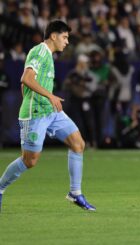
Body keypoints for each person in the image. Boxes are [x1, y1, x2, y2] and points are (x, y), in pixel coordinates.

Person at [0, 20, 95, 212]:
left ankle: (75, 193)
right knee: (30, 161)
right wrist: (48, 96)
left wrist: (44, 99)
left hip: (50, 111)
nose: (67, 42)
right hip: (35, 114)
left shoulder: (49, 56)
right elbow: (25, 79)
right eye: (65, 37)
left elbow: (25, 85)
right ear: (53, 36)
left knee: (78, 143)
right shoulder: (40, 51)